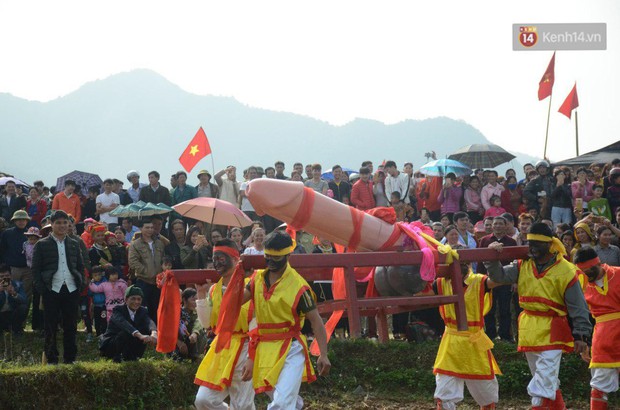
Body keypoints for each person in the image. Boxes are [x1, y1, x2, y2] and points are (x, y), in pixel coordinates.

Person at [485, 222, 592, 409]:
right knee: (544, 378)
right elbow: (499, 277)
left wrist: (581, 334)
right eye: (529, 243)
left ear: (549, 244)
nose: (531, 247)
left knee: (543, 380)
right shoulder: (522, 265)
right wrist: (492, 257)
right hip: (529, 329)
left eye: (536, 243)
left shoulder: (566, 270)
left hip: (553, 329)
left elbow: (578, 306)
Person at [238, 231, 331, 409]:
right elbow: (236, 302)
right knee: (284, 400)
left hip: (290, 348)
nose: (271, 261)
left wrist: (323, 354)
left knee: (281, 403)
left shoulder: (299, 286)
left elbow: (316, 320)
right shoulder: (256, 279)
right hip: (264, 348)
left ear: (288, 255)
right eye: (268, 257)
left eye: (277, 258)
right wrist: (237, 278)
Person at [420, 251, 502, 410]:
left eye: (463, 262)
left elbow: (499, 279)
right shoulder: (441, 283)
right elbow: (419, 293)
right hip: (451, 342)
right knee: (444, 392)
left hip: (474, 341)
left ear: (469, 264)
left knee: (486, 391)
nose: (459, 266)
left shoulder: (479, 281)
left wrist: (493, 256)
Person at [194, 239, 255, 410]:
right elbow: (207, 323)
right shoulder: (214, 289)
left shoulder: (252, 284)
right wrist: (201, 294)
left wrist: (252, 356)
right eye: (214, 258)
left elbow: (257, 320)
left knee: (242, 405)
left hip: (246, 345)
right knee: (203, 400)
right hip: (222, 347)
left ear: (236, 259)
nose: (217, 263)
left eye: (221, 258)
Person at [31, 210, 85, 364]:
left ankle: (70, 359)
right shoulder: (42, 244)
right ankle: (51, 359)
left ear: (69, 224)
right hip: (51, 289)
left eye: (65, 223)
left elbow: (80, 266)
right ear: (51, 224)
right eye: (58, 223)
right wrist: (43, 289)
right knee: (50, 327)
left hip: (71, 289)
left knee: (71, 326)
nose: (62, 226)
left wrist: (81, 284)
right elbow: (35, 270)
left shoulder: (74, 243)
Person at [573, 248, 620, 410]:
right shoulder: (580, 283)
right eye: (583, 272)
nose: (587, 275)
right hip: (602, 337)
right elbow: (581, 315)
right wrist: (585, 343)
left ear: (598, 263)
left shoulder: (617, 273)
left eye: (589, 271)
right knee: (599, 384)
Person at [478, 216, 517, 343]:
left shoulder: (511, 242)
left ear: (505, 226)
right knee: (489, 308)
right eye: (495, 224)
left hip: (506, 281)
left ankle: (505, 336)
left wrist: (515, 281)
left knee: (505, 309)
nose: (498, 226)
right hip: (488, 281)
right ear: (492, 226)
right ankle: (490, 335)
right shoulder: (484, 240)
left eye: (501, 223)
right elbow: (480, 261)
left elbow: (515, 262)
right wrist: (480, 280)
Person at [98, 285, 158, 362]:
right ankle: (117, 357)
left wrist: (154, 333)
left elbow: (148, 321)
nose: (136, 302)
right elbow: (124, 323)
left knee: (145, 330)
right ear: (126, 299)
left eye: (139, 299)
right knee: (126, 332)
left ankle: (134, 357)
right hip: (111, 345)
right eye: (133, 299)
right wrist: (140, 335)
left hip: (129, 345)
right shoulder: (117, 310)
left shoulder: (143, 310)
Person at [128, 218, 165, 324]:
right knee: (142, 309)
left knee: (157, 309)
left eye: (152, 228)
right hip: (143, 281)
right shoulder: (135, 244)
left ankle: (156, 330)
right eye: (147, 227)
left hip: (158, 282)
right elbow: (133, 262)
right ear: (141, 229)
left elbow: (164, 259)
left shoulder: (159, 243)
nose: (150, 230)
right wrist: (146, 271)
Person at [171, 287, 204, 362]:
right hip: (177, 342)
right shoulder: (177, 312)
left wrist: (195, 333)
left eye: (197, 300)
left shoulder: (196, 313)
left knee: (201, 331)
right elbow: (169, 329)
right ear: (184, 300)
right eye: (193, 300)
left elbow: (198, 323)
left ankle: (195, 356)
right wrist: (178, 342)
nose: (195, 302)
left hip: (190, 341)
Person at [0, 263, 27, 336]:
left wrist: (14, 293)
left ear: (11, 276)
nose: (4, 278)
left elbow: (24, 300)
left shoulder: (18, 284)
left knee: (23, 307)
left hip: (11, 313)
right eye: (1, 276)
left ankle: (16, 330)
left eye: (7, 276)